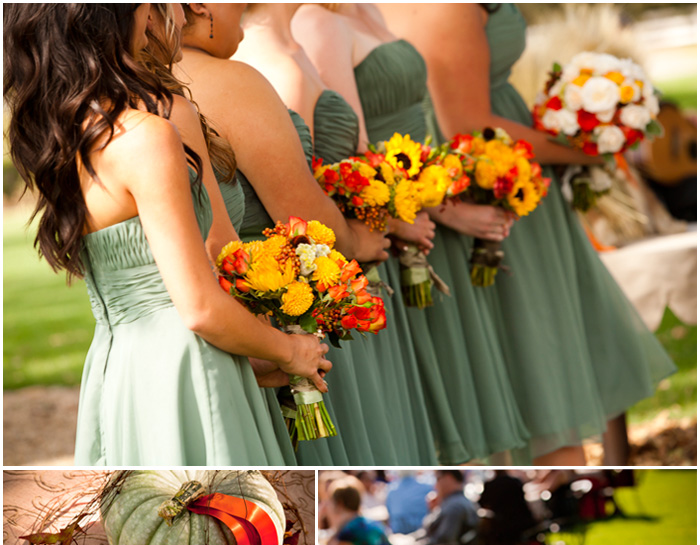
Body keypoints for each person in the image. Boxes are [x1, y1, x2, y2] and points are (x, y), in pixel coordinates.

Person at [3, 3, 331, 466]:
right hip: (189, 365)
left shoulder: (69, 135)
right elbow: (198, 307)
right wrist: (291, 350)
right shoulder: (146, 135)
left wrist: (252, 357)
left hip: (122, 366)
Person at [378, 2, 677, 465]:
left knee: (542, 363)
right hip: (491, 185)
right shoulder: (451, 9)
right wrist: (587, 148)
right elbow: (470, 127)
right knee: (537, 368)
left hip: (509, 172)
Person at [293, 2, 531, 465]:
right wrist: (436, 214)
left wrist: (445, 192)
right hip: (398, 228)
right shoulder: (316, 22)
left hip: (422, 214)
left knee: (462, 385)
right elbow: (346, 149)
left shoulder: (367, 8)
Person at [230, 2, 439, 465]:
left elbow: (338, 164)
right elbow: (295, 195)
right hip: (323, 263)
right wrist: (360, 238)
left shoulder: (295, 48)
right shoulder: (276, 63)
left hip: (349, 258)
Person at [405, 470, 479, 545]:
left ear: (448, 477)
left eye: (437, 479)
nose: (435, 485)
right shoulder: (459, 502)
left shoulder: (454, 506)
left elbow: (444, 540)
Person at [478, 469, 535, 545]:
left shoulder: (490, 485)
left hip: (501, 527)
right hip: (520, 523)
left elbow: (482, 505)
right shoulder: (516, 482)